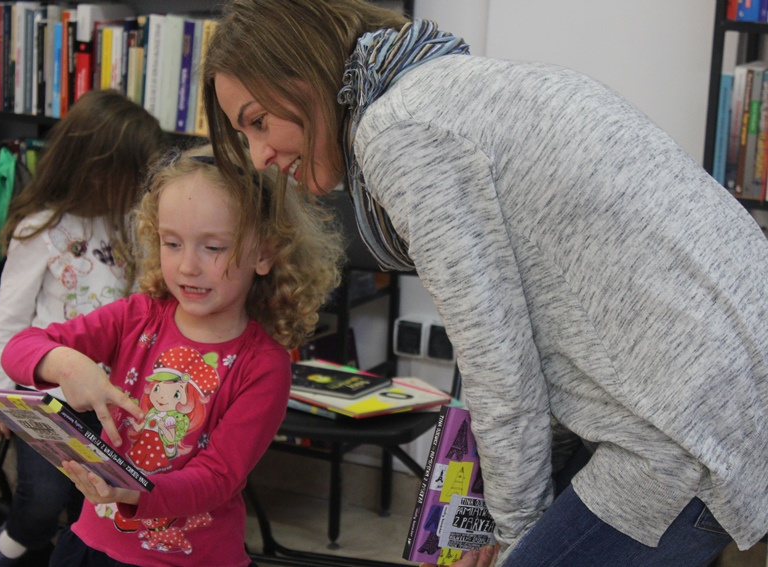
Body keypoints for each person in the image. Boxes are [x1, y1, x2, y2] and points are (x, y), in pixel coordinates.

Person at [202, 1, 768, 566]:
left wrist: (512, 529)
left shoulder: (399, 129)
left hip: (691, 424)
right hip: (716, 396)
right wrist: (507, 507)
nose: (260, 156)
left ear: (306, 74)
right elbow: (545, 334)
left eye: (259, 121)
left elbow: (497, 359)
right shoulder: (446, 87)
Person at [0, 143, 343, 567]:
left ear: (265, 252)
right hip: (92, 546)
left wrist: (133, 491)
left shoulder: (264, 366)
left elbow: (217, 478)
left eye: (213, 247)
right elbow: (19, 348)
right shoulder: (137, 316)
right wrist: (66, 364)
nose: (187, 267)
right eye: (172, 243)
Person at [0, 89, 167, 567]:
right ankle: (4, 548)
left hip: (111, 399)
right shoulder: (40, 228)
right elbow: (10, 318)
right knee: (41, 502)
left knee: (95, 505)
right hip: (46, 397)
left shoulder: (133, 227)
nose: (145, 184)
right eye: (137, 172)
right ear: (99, 167)